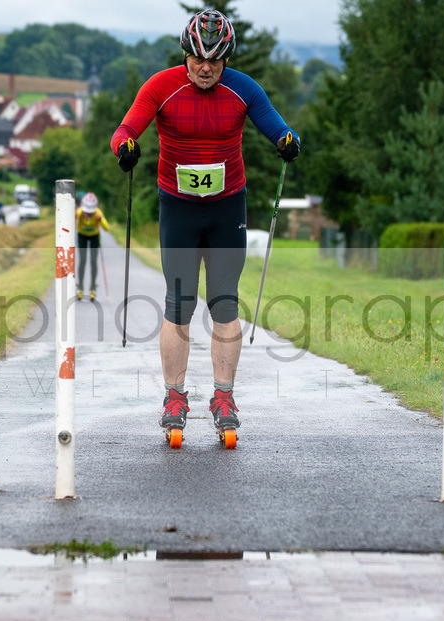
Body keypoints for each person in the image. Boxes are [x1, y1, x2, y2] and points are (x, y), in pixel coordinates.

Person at [111, 8, 300, 445]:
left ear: (227, 59)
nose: (205, 68)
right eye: (198, 59)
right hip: (178, 207)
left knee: (223, 302)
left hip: (226, 207)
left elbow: (276, 127)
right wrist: (126, 147)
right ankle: (175, 397)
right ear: (186, 53)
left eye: (215, 61)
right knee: (179, 301)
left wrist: (287, 142)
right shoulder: (161, 86)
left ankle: (224, 397)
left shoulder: (243, 89)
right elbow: (125, 128)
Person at [74, 192, 110, 301]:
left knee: (93, 262)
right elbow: (70, 225)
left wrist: (100, 220)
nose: (88, 214)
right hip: (82, 236)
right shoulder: (79, 212)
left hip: (94, 237)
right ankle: (80, 287)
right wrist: (75, 216)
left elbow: (107, 228)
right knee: (83, 261)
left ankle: (93, 288)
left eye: (90, 213)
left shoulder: (97, 212)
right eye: (87, 212)